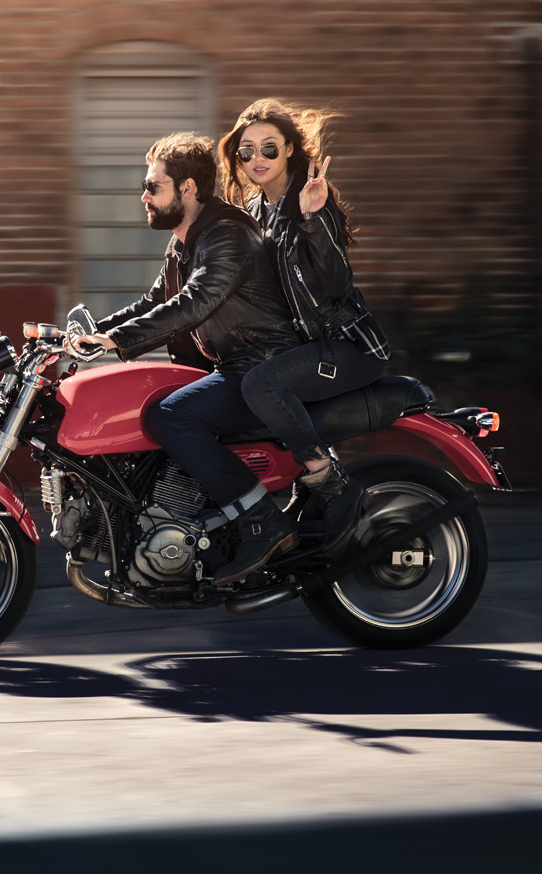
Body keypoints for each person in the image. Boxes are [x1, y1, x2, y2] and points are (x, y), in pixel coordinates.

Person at [70, 132, 303, 585]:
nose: (144, 196)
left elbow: (194, 303)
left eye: (153, 187)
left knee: (168, 415)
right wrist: (90, 334)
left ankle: (262, 521)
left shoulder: (227, 236)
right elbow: (154, 301)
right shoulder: (186, 242)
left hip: (262, 367)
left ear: (188, 188)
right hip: (234, 367)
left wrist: (114, 341)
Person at [218, 99, 391, 557]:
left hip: (346, 347)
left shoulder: (312, 199)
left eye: (269, 150)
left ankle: (332, 483)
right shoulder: (254, 212)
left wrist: (314, 217)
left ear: (291, 150)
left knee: (263, 386)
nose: (257, 160)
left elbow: (337, 284)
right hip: (303, 348)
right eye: (246, 152)